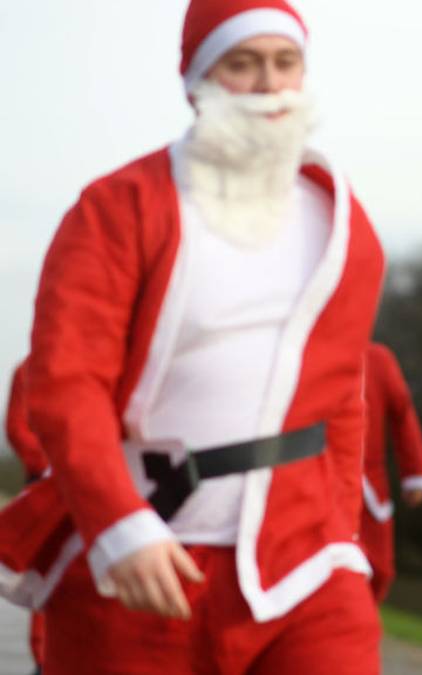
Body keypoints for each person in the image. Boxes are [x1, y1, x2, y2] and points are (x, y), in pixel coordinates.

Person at [3, 1, 386, 671]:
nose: (269, 84)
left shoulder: (342, 224)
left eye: (284, 62)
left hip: (303, 561)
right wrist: (119, 523)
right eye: (242, 64)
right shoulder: (118, 206)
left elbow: (341, 397)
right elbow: (66, 384)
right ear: (197, 80)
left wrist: (344, 531)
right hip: (145, 549)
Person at [361, 341, 422, 603]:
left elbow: (402, 414)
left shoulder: (379, 360)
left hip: (369, 489)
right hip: (317, 480)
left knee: (379, 568)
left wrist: (416, 472)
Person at [5, 361, 47, 672]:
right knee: (43, 576)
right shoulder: (28, 370)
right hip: (46, 489)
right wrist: (59, 468)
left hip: (101, 487)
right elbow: (17, 429)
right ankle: (44, 660)